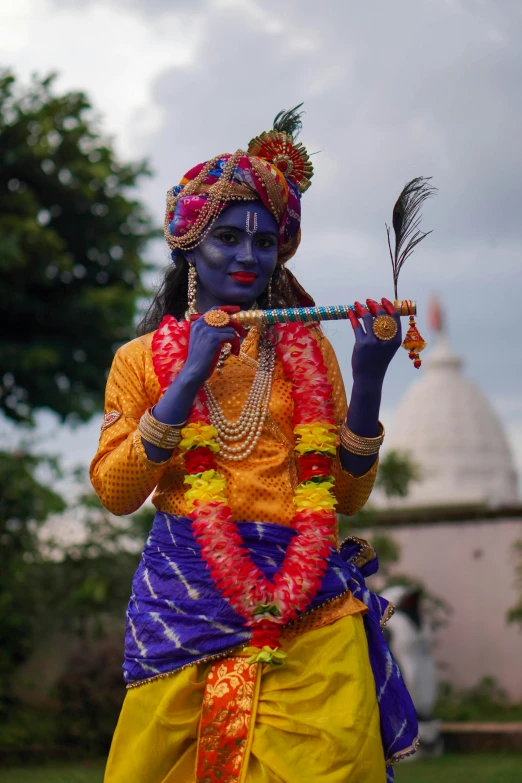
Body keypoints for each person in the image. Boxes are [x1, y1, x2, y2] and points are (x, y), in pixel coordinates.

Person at [91, 107, 418, 783]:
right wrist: (185, 380)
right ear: (190, 246)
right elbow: (117, 494)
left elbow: (347, 495)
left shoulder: (309, 350)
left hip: (313, 608)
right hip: (188, 604)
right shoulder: (140, 359)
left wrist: (367, 380)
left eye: (264, 242)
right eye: (228, 239)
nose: (247, 256)